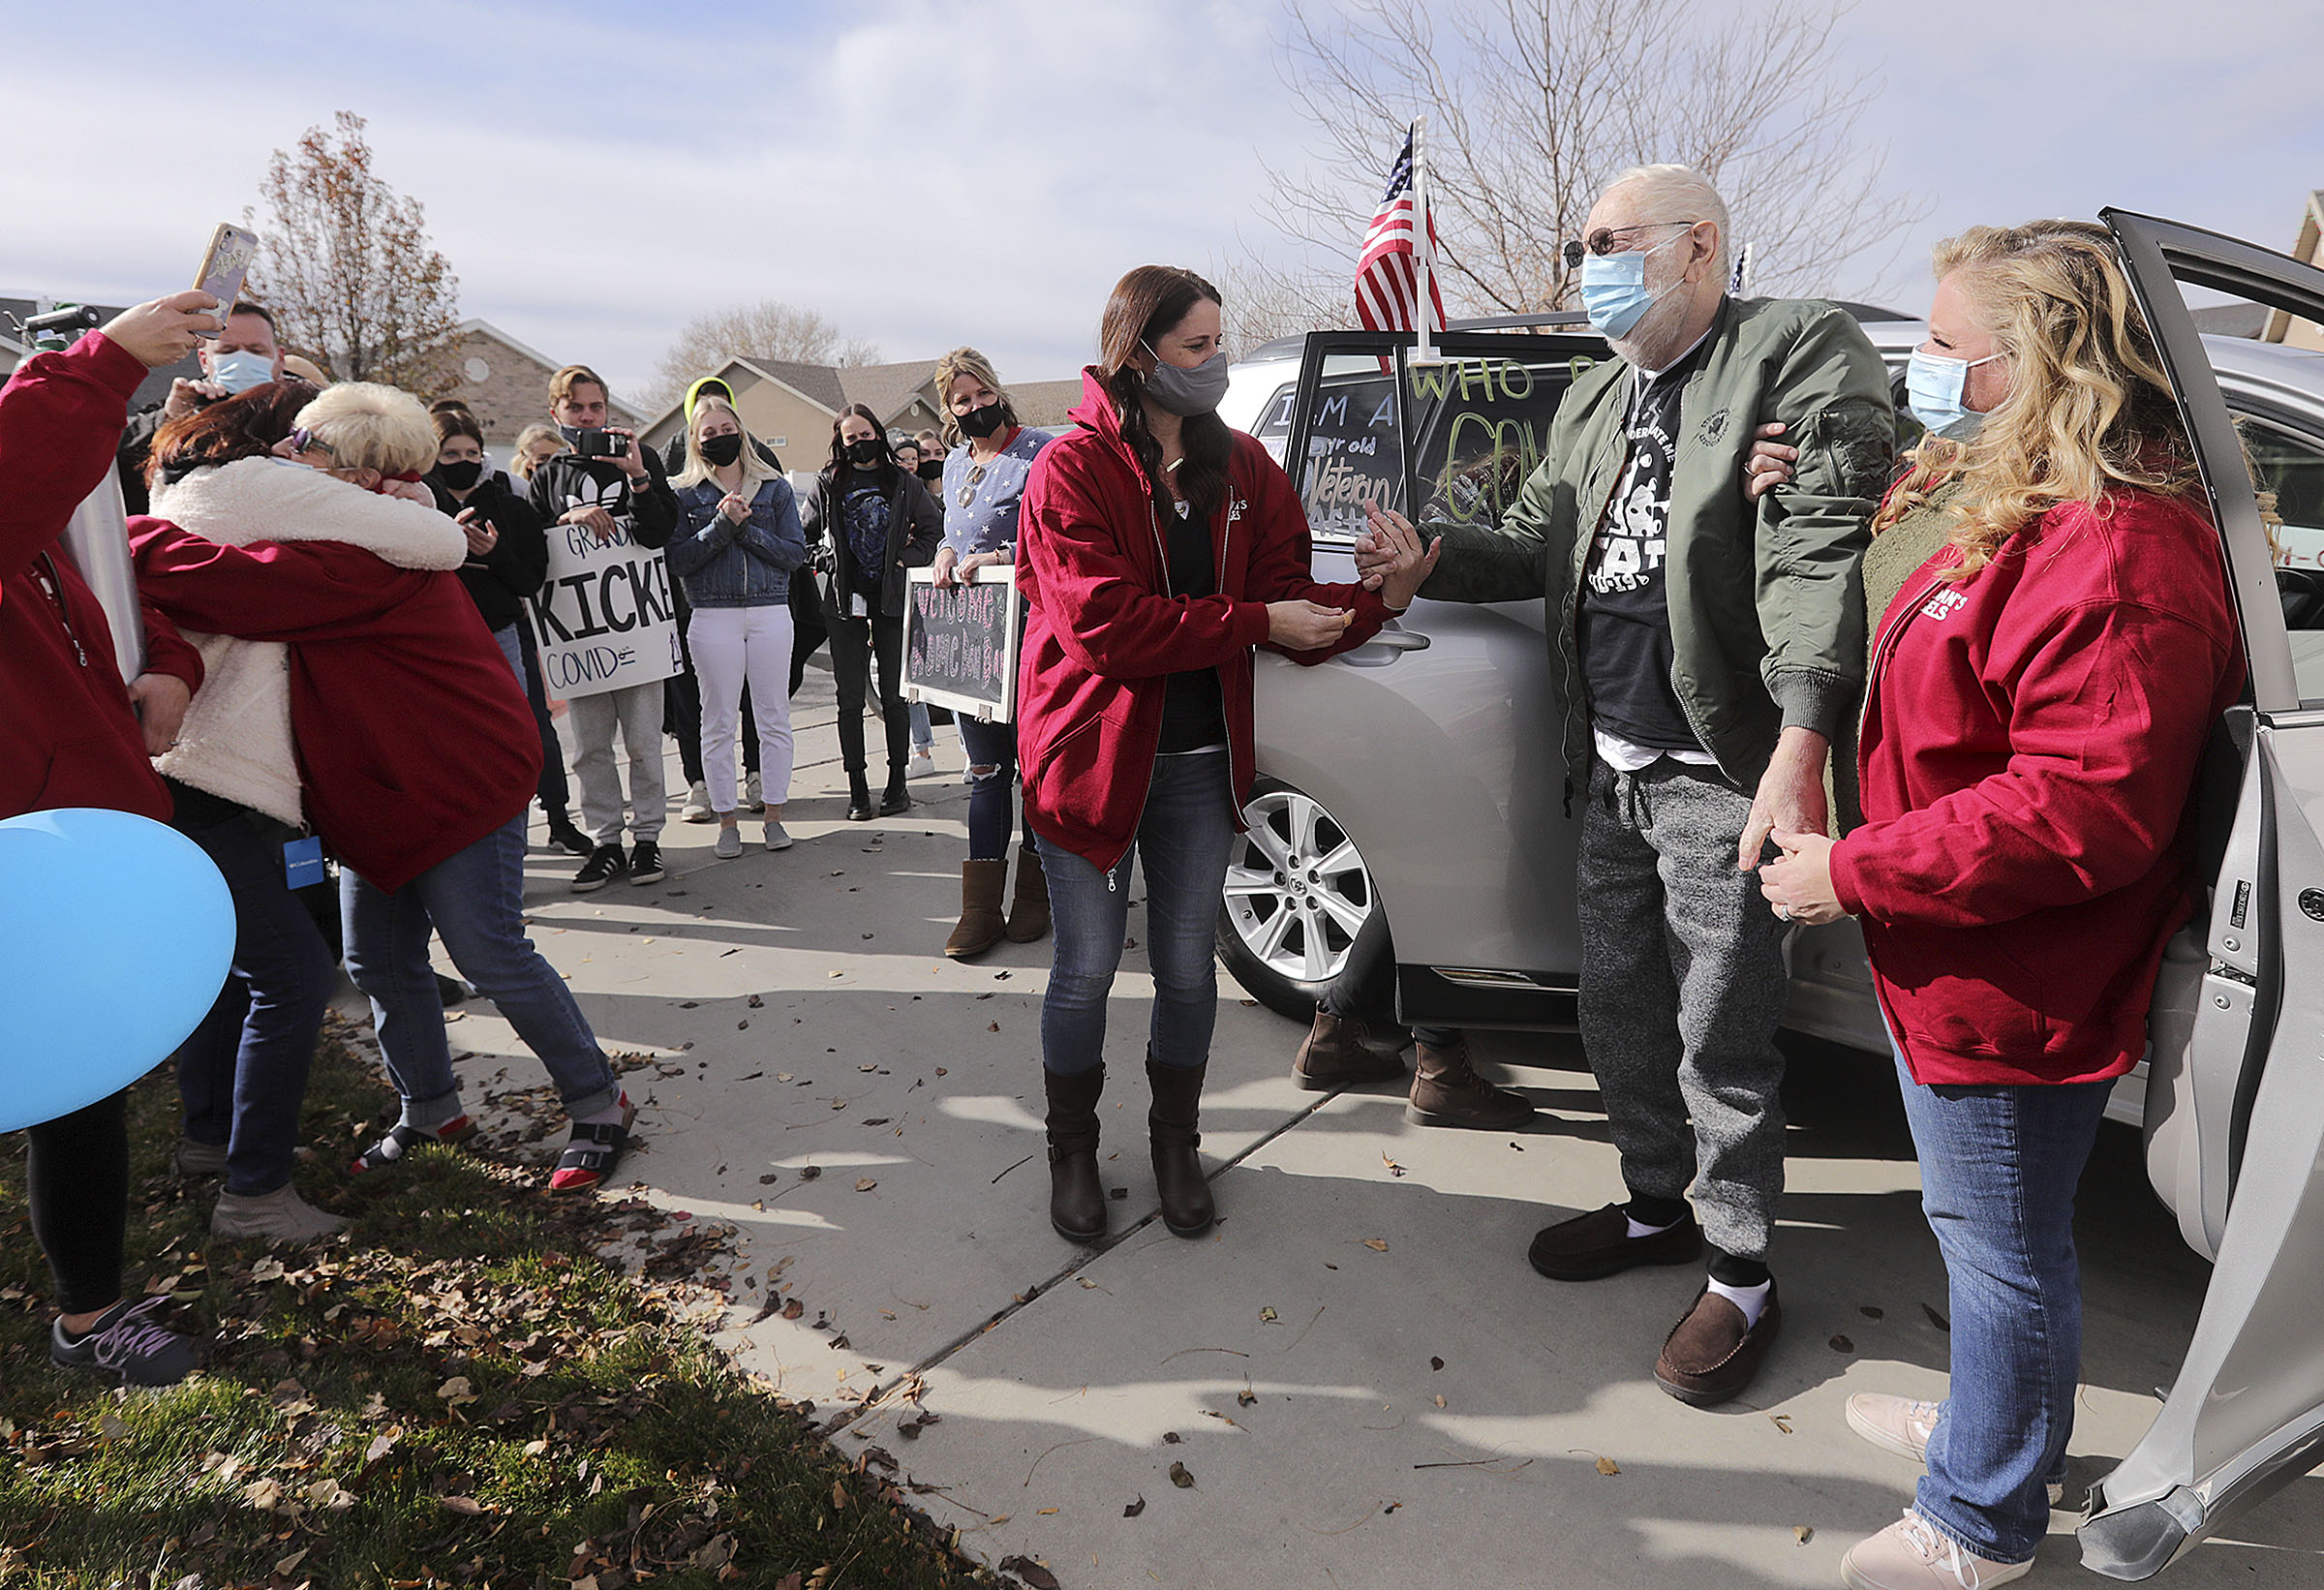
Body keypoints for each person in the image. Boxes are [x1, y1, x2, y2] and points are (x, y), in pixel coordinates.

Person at [1755, 222, 2244, 1590]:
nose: (1923, 370)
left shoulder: (2121, 551)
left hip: (2013, 970)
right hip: (1956, 948)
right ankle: (1994, 1423)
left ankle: (1983, 1513)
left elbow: (2081, 809)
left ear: (2043, 362)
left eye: (1949, 350)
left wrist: (1850, 869)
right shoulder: (2031, 493)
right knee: (1989, 1241)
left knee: (2006, 1246)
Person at [1359, 164, 1894, 1406]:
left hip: (1721, 768)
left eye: (1609, 241)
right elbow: (1544, 540)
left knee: (1723, 1028)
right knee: (1617, 1003)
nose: (1586, 261)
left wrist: (1801, 745)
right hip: (1611, 764)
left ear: (1699, 245)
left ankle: (1742, 1268)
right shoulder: (1598, 395)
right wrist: (1427, 556)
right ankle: (1658, 1203)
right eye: (1582, 241)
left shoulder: (1790, 351)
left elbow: (1819, 555)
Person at [131, 381, 641, 1197]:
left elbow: (213, 579)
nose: (290, 463)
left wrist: (126, 529)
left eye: (308, 451)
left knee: (488, 949)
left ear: (364, 476)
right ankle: (430, 1109)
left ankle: (597, 1098)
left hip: (460, 778)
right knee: (378, 961)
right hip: (377, 788)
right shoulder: (361, 532)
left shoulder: (367, 555)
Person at [1016, 264, 1436, 1244]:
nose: (1217, 362)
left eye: (1220, 343)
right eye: (1198, 346)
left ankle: (1175, 1144)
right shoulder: (1070, 469)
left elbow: (1295, 604)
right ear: (1139, 351)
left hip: (1202, 762)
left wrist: (1386, 594)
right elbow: (1108, 627)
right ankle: (1071, 1150)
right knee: (1082, 969)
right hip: (1089, 759)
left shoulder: (1245, 466)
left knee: (1189, 973)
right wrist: (1250, 618)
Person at [6, 289, 219, 1382]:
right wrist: (99, 366)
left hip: (70, 839)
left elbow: (97, 583)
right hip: (25, 855)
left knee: (74, 1085)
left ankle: (90, 1311)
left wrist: (168, 662)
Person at [143, 380, 363, 1242]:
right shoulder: (247, 506)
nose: (326, 460)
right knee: (293, 974)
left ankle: (209, 1136)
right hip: (211, 783)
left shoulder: (206, 505)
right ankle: (255, 1193)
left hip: (223, 783)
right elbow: (424, 541)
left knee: (234, 970)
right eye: (311, 440)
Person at [527, 364, 680, 890]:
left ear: (607, 410)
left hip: (637, 631)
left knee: (643, 744)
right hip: (583, 639)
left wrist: (637, 477)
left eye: (595, 407)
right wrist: (565, 523)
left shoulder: (642, 461)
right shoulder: (548, 477)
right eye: (576, 408)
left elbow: (662, 532)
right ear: (556, 414)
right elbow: (532, 555)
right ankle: (606, 841)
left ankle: (648, 840)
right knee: (590, 748)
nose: (587, 416)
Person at [927, 346, 1055, 958]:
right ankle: (979, 908)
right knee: (986, 773)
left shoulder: (1042, 452)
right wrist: (945, 555)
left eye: (982, 395)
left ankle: (1036, 895)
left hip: (1034, 633)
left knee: (1033, 772)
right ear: (948, 409)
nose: (974, 407)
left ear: (998, 392)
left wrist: (1001, 559)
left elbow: (1059, 535)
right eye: (961, 400)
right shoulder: (952, 465)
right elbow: (951, 536)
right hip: (974, 642)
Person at [666, 396, 807, 856]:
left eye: (727, 427)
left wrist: (746, 529)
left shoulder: (774, 489)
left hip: (769, 610)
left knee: (773, 718)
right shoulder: (684, 493)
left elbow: (794, 555)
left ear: (741, 432)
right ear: (695, 440)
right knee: (718, 719)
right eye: (708, 432)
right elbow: (680, 560)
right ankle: (727, 821)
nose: (719, 437)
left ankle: (773, 816)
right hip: (711, 614)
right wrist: (722, 525)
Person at [799, 405, 942, 820]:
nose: (860, 444)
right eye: (851, 438)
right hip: (844, 606)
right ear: (841, 443)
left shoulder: (903, 481)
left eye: (866, 435)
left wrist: (904, 559)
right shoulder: (828, 483)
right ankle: (857, 788)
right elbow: (802, 536)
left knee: (895, 697)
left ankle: (897, 784)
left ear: (878, 434)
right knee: (848, 699)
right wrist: (823, 559)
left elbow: (932, 531)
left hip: (892, 603)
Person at [503, 422, 592, 855]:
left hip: (541, 624)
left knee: (540, 721)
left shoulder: (563, 493)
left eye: (552, 461)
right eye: (537, 461)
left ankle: (558, 814)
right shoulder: (511, 497)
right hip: (514, 619)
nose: (544, 470)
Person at [115, 300, 286, 515]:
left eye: (256, 351)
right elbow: (112, 465)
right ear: (205, 360)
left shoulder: (311, 413)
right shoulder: (186, 407)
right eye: (228, 351)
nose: (242, 359)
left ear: (280, 358)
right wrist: (168, 421)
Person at [426, 404, 548, 682]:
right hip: (439, 635)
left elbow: (530, 581)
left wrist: (495, 553)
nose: (464, 462)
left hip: (499, 632)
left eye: (472, 453)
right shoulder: (419, 505)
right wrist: (446, 542)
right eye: (451, 455)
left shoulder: (512, 507)